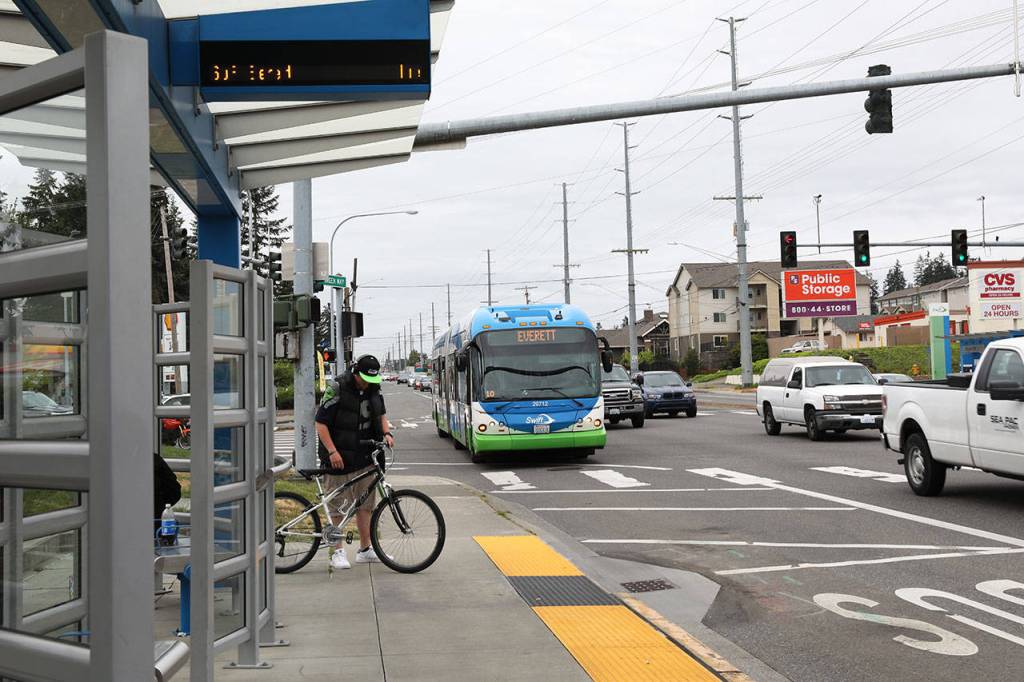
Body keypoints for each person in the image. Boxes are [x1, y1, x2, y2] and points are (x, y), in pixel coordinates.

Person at [314, 354, 394, 569]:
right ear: (356, 373)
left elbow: (381, 414)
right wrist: (332, 452)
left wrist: (386, 433)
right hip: (339, 457)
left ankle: (365, 549)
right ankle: (337, 551)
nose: (368, 383)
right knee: (337, 505)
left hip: (366, 456)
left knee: (365, 505)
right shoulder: (337, 387)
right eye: (365, 379)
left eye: (372, 380)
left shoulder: (374, 388)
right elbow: (320, 423)